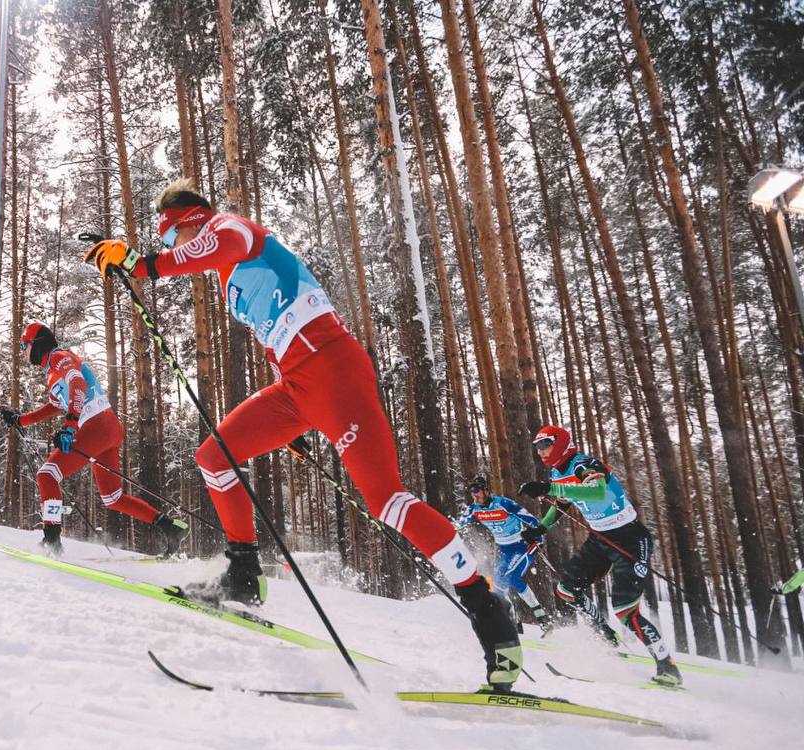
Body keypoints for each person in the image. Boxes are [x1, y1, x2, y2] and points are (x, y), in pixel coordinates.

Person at [83, 178, 522, 690]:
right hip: (297, 386)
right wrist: (292, 421)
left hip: (334, 369)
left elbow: (213, 246)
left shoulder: (231, 230)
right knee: (215, 457)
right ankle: (244, 575)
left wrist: (143, 265)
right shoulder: (229, 275)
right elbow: (275, 331)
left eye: (173, 238)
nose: (173, 249)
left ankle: (485, 605)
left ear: (188, 221)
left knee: (386, 500)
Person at [0, 322, 187, 557]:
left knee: (47, 475)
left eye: (24, 345)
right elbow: (55, 405)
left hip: (96, 425)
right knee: (113, 498)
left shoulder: (58, 357)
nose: (23, 351)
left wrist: (69, 426)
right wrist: (21, 420)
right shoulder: (51, 372)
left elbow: (78, 384)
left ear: (37, 344)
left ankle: (51, 540)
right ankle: (170, 528)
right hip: (107, 428)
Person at [518, 425, 682, 687]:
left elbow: (596, 491)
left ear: (560, 443)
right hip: (600, 538)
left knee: (625, 610)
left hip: (629, 538)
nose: (541, 452)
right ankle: (608, 637)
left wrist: (550, 488)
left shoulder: (583, 463)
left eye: (545, 444)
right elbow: (563, 503)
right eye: (537, 447)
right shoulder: (557, 471)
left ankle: (667, 665)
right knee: (567, 590)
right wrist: (541, 527)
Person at [456, 474, 554, 635]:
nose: (474, 494)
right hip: (503, 550)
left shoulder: (503, 504)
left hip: (522, 546)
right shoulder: (474, 509)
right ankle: (513, 625)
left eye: (477, 490)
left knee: (512, 578)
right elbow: (458, 524)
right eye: (471, 491)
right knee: (497, 585)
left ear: (486, 490)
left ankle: (544, 620)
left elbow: (533, 521)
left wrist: (539, 540)